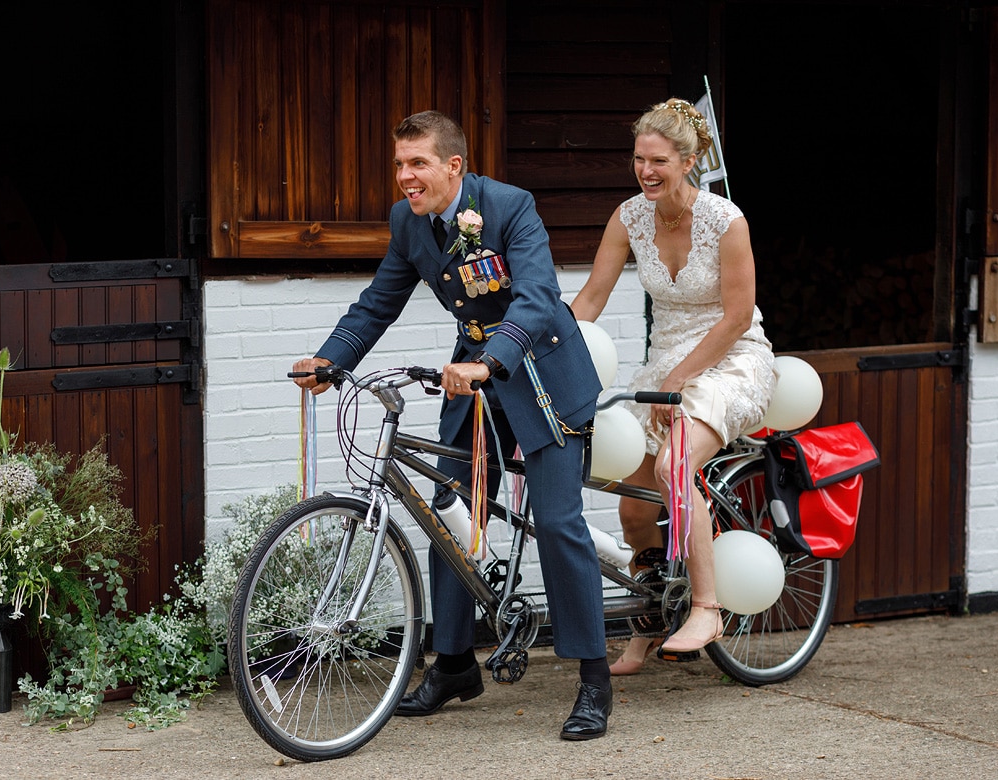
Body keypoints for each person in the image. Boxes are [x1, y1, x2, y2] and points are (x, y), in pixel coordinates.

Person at [292, 110, 612, 740]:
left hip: (540, 373)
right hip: (472, 381)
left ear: (454, 166)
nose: (405, 178)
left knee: (555, 522)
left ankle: (594, 679)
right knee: (449, 514)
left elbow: (538, 296)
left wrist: (492, 360)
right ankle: (457, 664)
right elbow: (377, 303)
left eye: (418, 164)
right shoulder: (408, 223)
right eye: (399, 165)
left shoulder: (509, 207)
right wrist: (331, 360)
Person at [570, 98, 775, 674]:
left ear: (689, 161)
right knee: (631, 497)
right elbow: (591, 299)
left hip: (731, 360)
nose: (645, 171)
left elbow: (737, 315)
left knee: (672, 467)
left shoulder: (726, 221)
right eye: (638, 159)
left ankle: (708, 607)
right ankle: (650, 618)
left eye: (658, 160)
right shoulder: (629, 216)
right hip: (665, 368)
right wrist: (542, 340)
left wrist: (685, 377)